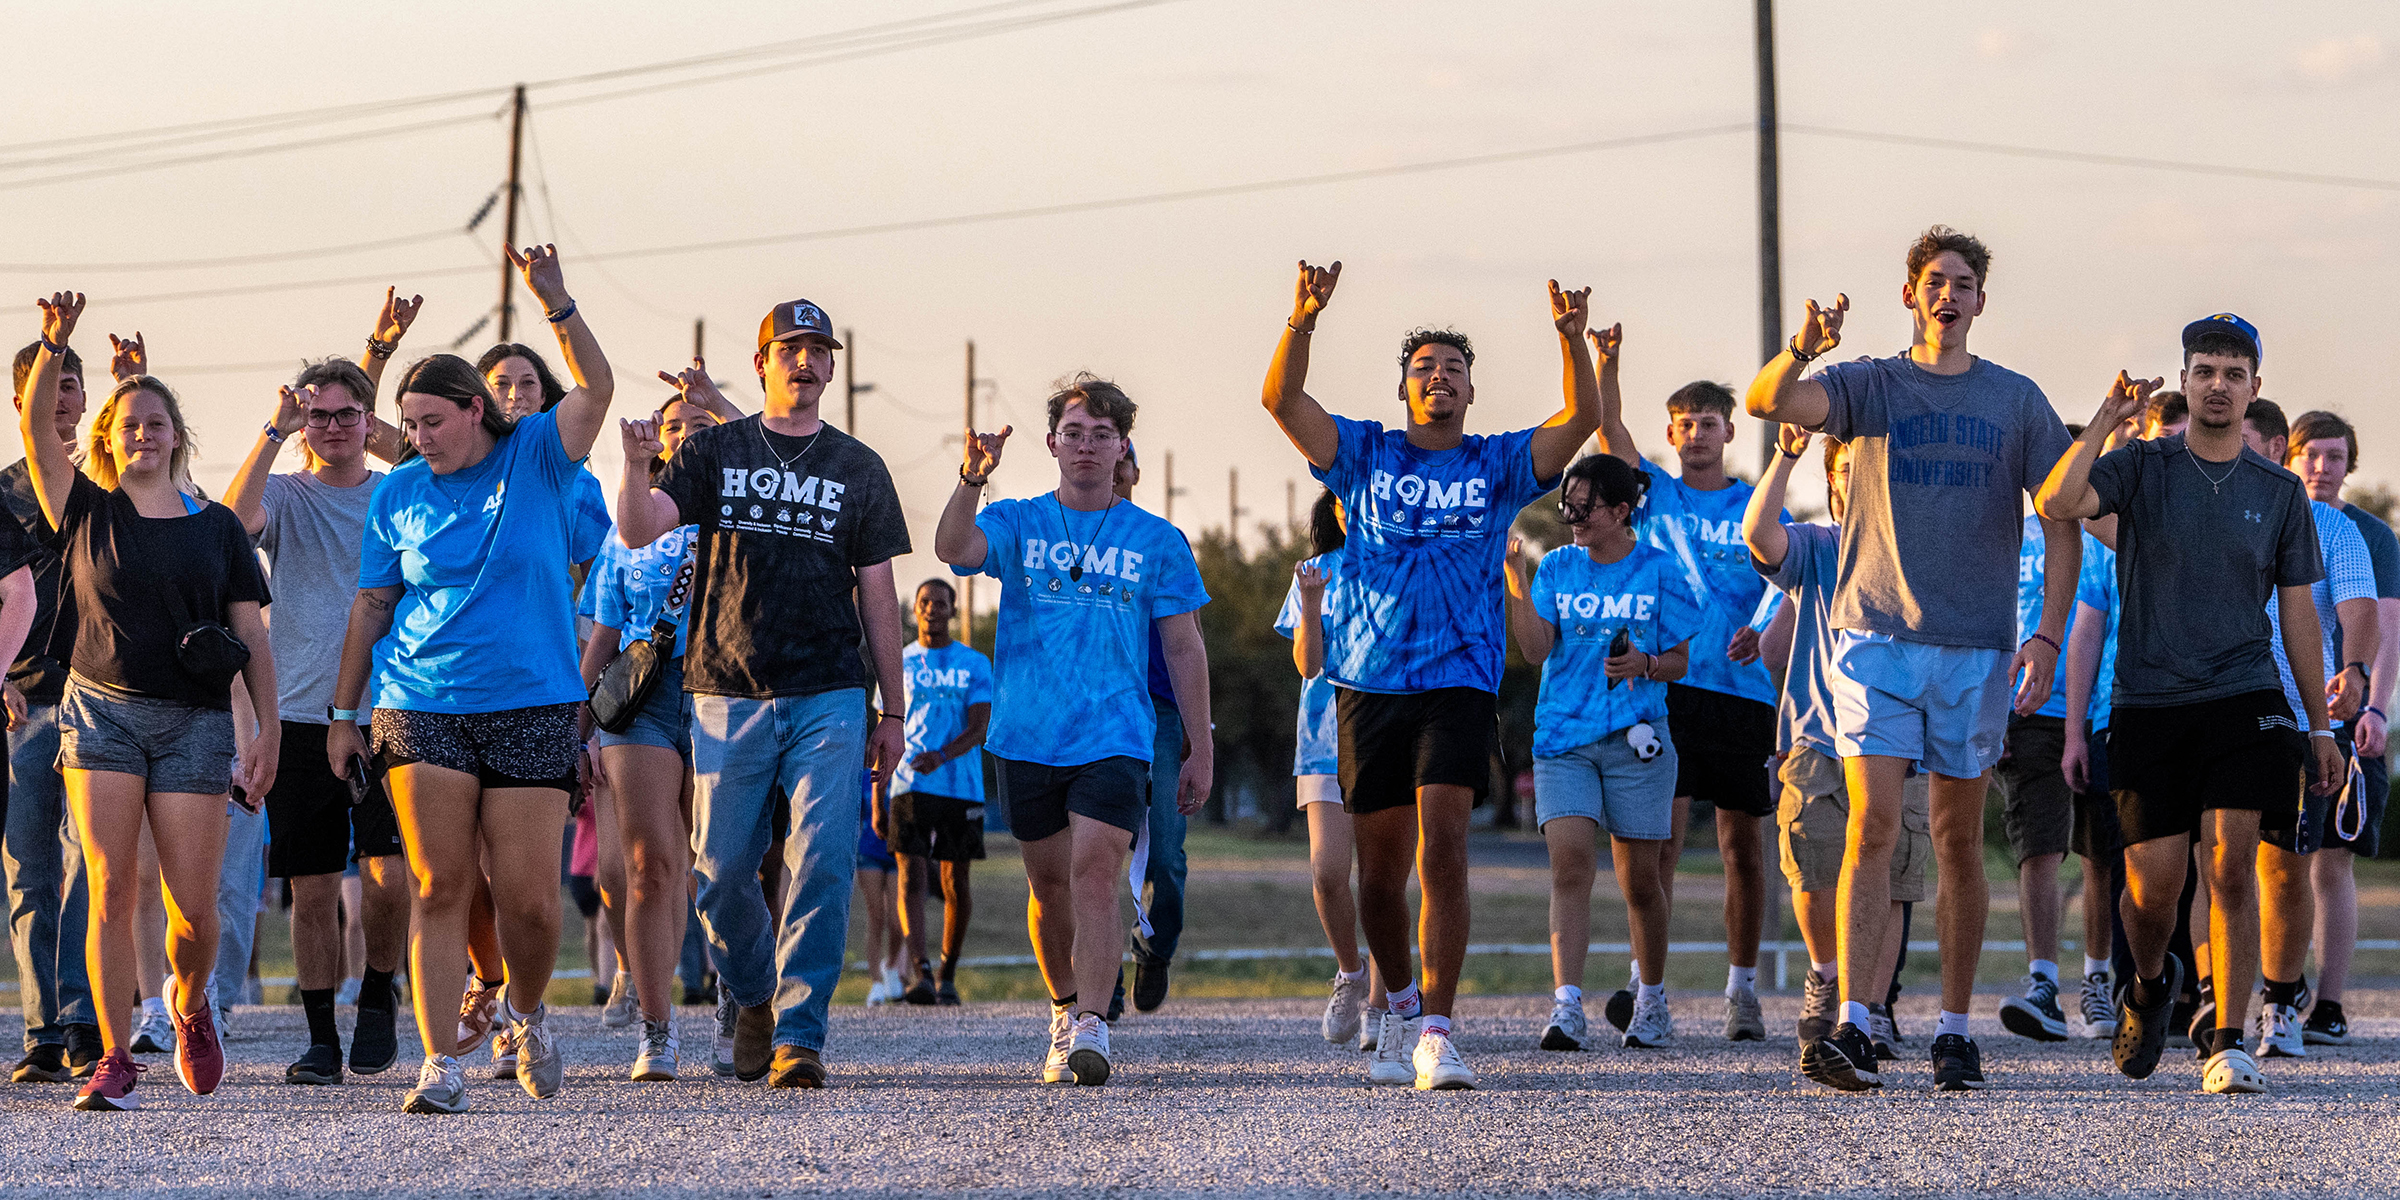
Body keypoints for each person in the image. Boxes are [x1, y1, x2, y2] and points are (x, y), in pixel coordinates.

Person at [1745, 226, 2078, 1092]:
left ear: (1980, 301)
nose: (1948, 295)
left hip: (1974, 646)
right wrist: (1804, 347)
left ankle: (1955, 1033)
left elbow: (2063, 514)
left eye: (1963, 283)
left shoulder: (2016, 400)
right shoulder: (1870, 383)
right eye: (1934, 281)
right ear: (1910, 294)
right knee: (1872, 827)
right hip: (1876, 637)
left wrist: (2046, 634)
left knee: (1959, 839)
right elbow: (1768, 401)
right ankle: (1855, 1023)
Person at [1261, 260, 1601, 1091]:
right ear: (1404, 388)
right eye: (1424, 367)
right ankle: (1403, 1002)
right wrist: (1303, 319)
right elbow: (1281, 400)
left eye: (1453, 368)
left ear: (1471, 391)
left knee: (1444, 849)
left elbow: (1581, 419)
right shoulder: (1364, 453)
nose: (1438, 376)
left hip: (1459, 681)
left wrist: (1572, 341)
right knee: (1378, 878)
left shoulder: (1498, 463)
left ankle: (1439, 1032)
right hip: (1368, 683)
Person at [326, 245, 617, 1114]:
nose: (416, 438)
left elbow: (595, 389)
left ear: (474, 412)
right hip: (420, 704)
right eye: (408, 425)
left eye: (431, 422)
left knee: (529, 903)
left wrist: (556, 301)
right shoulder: (399, 494)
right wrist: (343, 712)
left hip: (533, 702)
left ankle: (525, 1013)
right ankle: (439, 1063)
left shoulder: (539, 454)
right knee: (440, 884)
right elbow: (372, 606)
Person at [2035, 312, 2343, 1095]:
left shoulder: (2280, 491)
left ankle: (2228, 1041)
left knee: (2233, 867)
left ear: (2254, 388)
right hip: (2149, 702)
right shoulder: (2142, 465)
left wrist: (2320, 725)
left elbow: (2300, 618)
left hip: (2246, 696)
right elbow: (2059, 501)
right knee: (2152, 894)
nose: (2218, 386)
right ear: (2185, 380)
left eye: (2233, 375)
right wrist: (2107, 418)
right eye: (2205, 371)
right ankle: (2148, 985)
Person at [613, 299, 911, 1090]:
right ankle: (752, 996)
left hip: (830, 691)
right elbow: (639, 529)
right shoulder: (716, 449)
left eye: (818, 349)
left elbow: (880, 594)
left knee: (822, 861)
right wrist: (635, 466)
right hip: (726, 688)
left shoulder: (859, 467)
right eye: (789, 348)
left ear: (832, 366)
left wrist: (893, 709)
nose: (804, 361)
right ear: (762, 364)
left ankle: (800, 1036)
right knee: (717, 873)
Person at [20, 301, 278, 1112]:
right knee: (109, 887)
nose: (142, 434)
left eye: (156, 423)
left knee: (192, 912)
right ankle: (112, 1055)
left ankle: (190, 1002)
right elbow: (35, 430)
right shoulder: (83, 508)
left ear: (176, 437)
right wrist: (55, 344)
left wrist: (266, 731)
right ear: (107, 436)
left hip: (196, 723)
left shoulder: (218, 529)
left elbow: (252, 636)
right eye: (128, 424)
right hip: (100, 714)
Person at [936, 374, 1211, 1087]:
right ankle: (1063, 1007)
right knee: (1048, 886)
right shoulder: (1017, 520)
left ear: (1122, 447)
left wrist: (1200, 745)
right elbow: (953, 548)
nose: (1087, 445)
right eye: (1074, 433)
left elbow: (1184, 647)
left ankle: (1092, 1023)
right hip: (1026, 733)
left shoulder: (1158, 540)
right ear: (1053, 444)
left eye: (1102, 435)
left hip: (1116, 732)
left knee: (1095, 873)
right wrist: (972, 478)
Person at [219, 290, 424, 1087]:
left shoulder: (398, 490)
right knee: (310, 889)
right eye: (318, 415)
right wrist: (273, 430)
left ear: (369, 421)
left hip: (392, 706)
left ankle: (377, 993)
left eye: (347, 414)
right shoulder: (285, 493)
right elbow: (231, 525)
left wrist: (379, 349)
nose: (333, 426)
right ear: (303, 422)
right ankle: (319, 1039)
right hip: (301, 711)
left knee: (389, 877)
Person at [1590, 349, 1783, 1041]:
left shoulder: (1753, 502)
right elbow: (1609, 429)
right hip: (1666, 687)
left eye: (1708, 422)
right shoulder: (1655, 496)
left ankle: (1742, 992)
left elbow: (1785, 574)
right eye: (1684, 423)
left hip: (1743, 692)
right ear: (1670, 435)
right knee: (1660, 844)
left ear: (1729, 431)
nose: (1696, 433)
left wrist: (1764, 629)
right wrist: (1607, 362)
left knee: (1743, 848)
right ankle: (1648, 989)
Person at [1503, 454, 1700, 1051]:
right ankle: (1566, 1008)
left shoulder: (1660, 570)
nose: (1573, 517)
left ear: (1620, 510)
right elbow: (1535, 650)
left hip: (1638, 741)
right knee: (1569, 866)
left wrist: (1645, 663)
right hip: (1563, 740)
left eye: (1585, 508)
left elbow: (1681, 662)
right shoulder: (1557, 567)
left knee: (1640, 881)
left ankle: (1652, 1000)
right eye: (1568, 505)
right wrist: (1516, 581)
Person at [1744, 424, 1924, 1069]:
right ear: (1833, 482)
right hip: (1818, 734)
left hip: (1901, 737)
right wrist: (1785, 454)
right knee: (1813, 869)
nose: (1862, 480)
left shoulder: (1918, 549)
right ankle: (1826, 972)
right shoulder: (1819, 546)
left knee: (1892, 876)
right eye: (1849, 470)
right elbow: (1759, 534)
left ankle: (1869, 1007)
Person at [581, 390, 724, 1080]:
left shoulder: (740, 510)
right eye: (674, 427)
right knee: (649, 866)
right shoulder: (628, 524)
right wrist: (579, 723)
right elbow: (605, 631)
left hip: (726, 686)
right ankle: (656, 1028)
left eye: (701, 425)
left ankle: (735, 1001)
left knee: (723, 866)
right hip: (643, 695)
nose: (686, 435)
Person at [2237, 399, 2376, 1060]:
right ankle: (2209, 1000)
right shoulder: (2193, 507)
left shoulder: (2331, 527)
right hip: (2208, 705)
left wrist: (2356, 671)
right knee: (2213, 865)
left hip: (2297, 714)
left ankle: (2279, 1002)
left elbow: (2361, 608)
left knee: (2286, 867)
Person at [1992, 421, 2130, 1044]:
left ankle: (2098, 979)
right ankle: (2043, 982)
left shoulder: (2112, 536)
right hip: (2029, 710)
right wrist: (1990, 708)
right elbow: (1992, 622)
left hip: (2104, 712)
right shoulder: (2009, 538)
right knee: (2040, 848)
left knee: (2101, 855)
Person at [2283, 408, 2396, 1046]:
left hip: (2346, 717)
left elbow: (2386, 626)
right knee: (2276, 861)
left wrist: (2375, 707)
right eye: (2312, 454)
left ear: (2350, 465)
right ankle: (2282, 984)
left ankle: (2329, 1003)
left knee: (2332, 862)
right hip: (2281, 716)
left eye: (2336, 456)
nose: (2323, 467)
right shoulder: (2272, 517)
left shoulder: (2370, 536)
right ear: (2290, 455)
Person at [4, 339, 97, 1083]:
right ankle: (42, 1032)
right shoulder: (3, 493)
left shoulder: (114, 486)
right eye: (46, 386)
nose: (60, 397)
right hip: (25, 700)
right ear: (21, 402)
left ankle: (84, 1021)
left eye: (70, 383)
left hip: (104, 695)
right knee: (30, 870)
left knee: (92, 863)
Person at [1275, 488, 1393, 1050]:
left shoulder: (1403, 561)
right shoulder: (1316, 571)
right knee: (1327, 872)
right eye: (1347, 499)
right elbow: (1308, 663)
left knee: (1381, 877)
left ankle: (1384, 1002)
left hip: (1389, 731)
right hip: (1324, 739)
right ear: (1338, 511)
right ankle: (1351, 972)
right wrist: (1311, 602)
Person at [2057, 419, 2139, 1041]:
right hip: (2115, 714)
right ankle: (2114, 985)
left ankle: (2195, 991)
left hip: (2197, 708)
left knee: (2191, 862)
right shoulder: (2105, 540)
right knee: (2111, 859)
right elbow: (2085, 636)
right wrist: (2075, 732)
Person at [882, 578, 991, 1006]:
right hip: (908, 784)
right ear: (915, 610)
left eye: (940, 603)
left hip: (960, 786)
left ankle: (948, 972)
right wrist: (878, 797)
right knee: (910, 876)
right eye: (924, 602)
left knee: (954, 880)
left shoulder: (974, 663)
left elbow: (980, 728)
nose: (932, 609)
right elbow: (885, 729)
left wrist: (943, 756)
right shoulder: (898, 662)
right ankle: (920, 972)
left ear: (952, 610)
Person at [1111, 442, 1190, 1017]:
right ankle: (1099, 984)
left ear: (1135, 471)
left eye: (1124, 457)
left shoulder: (1163, 540)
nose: (1115, 466)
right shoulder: (1068, 541)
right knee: (1091, 854)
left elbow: (1190, 640)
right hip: (1099, 710)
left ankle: (1154, 947)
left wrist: (1196, 725)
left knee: (1163, 850)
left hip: (1160, 712)